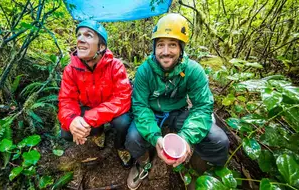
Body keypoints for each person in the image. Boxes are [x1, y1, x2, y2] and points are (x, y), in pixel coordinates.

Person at [125, 13, 229, 189]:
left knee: (219, 140)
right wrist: (155, 137)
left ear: (181, 48)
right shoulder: (144, 71)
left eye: (172, 44)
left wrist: (186, 137)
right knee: (133, 137)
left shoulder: (193, 70)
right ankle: (142, 163)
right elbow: (140, 106)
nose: (165, 51)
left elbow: (203, 106)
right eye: (160, 45)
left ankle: (197, 172)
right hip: (151, 112)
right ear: (154, 48)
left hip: (177, 112)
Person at [57, 20, 133, 168]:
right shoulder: (71, 69)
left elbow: (122, 99)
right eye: (79, 35)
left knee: (124, 122)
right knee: (66, 131)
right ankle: (98, 133)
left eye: (88, 35)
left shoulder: (115, 66)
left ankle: (120, 146)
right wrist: (72, 121)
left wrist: (88, 119)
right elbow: (66, 99)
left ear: (101, 46)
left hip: (111, 109)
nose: (80, 39)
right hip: (89, 107)